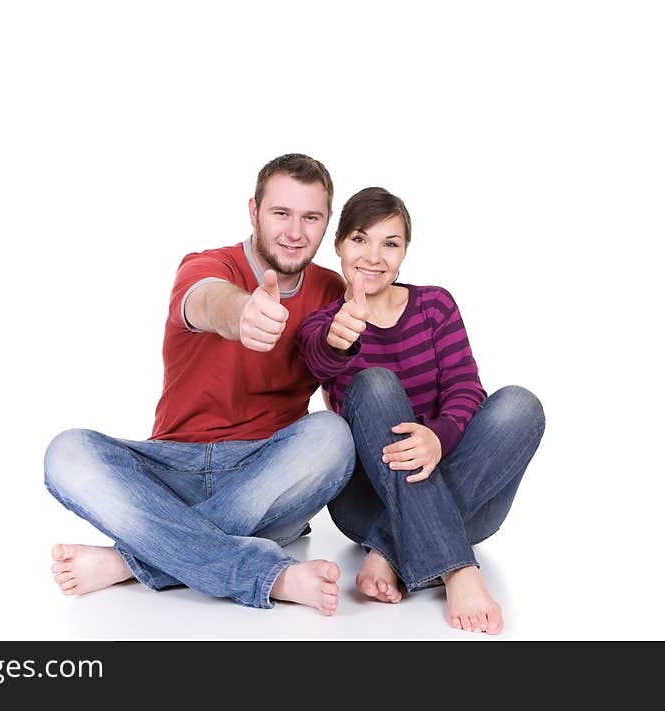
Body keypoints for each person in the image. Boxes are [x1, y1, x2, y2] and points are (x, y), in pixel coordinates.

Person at [44, 154, 355, 614]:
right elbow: (207, 301)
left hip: (263, 473)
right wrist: (242, 312)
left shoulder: (334, 291)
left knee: (332, 436)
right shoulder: (207, 264)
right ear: (253, 212)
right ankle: (267, 575)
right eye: (280, 214)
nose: (295, 232)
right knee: (66, 452)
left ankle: (131, 561)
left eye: (310, 217)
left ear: (327, 222)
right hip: (172, 469)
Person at [297, 187, 545, 633]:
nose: (374, 256)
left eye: (389, 243)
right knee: (374, 384)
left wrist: (438, 437)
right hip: (366, 503)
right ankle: (458, 570)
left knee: (521, 406)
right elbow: (322, 354)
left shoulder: (434, 305)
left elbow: (467, 389)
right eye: (359, 240)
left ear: (404, 251)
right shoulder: (324, 325)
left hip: (465, 489)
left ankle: (389, 550)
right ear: (338, 245)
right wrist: (341, 336)